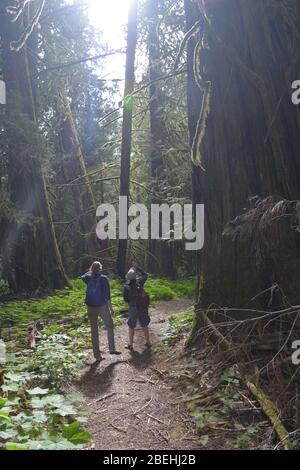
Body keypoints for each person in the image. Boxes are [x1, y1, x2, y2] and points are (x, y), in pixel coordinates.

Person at [82, 261, 120, 363]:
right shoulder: (103, 279)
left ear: (91, 268)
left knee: (94, 331)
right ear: (100, 269)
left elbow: (83, 276)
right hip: (102, 307)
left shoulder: (87, 278)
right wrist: (111, 309)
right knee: (109, 326)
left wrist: (90, 272)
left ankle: (97, 356)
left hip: (90, 307)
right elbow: (107, 296)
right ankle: (111, 349)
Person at [123, 261, 151, 351]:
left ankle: (130, 344)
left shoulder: (126, 286)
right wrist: (137, 267)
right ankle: (148, 342)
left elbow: (126, 299)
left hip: (133, 307)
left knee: (131, 325)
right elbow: (145, 275)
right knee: (144, 324)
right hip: (142, 306)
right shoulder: (140, 281)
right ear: (135, 276)